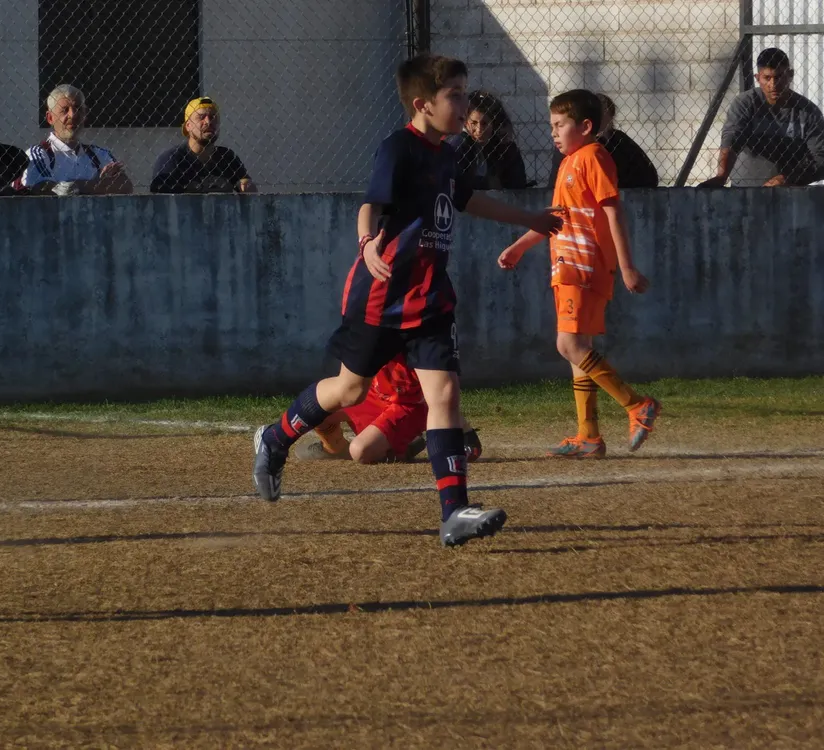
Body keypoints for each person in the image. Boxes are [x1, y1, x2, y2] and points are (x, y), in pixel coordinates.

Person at [251, 54, 562, 547]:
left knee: (445, 395)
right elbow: (370, 204)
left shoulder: (448, 155)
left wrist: (529, 220)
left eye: (465, 92)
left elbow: (468, 200)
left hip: (431, 298)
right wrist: (366, 243)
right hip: (383, 296)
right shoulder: (398, 148)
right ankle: (275, 438)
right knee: (349, 391)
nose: (465, 104)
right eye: (455, 95)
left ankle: (454, 512)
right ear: (422, 104)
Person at [498, 89, 661, 459]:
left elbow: (613, 212)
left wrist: (626, 266)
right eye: (551, 125)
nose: (553, 132)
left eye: (560, 125)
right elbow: (556, 219)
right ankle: (588, 436)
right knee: (577, 349)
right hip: (567, 267)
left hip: (582, 267)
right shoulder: (568, 163)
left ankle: (637, 404)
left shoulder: (593, 156)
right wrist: (520, 246)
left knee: (568, 345)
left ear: (586, 127)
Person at [295, 354, 482, 464]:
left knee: (360, 451)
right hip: (375, 391)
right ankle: (337, 450)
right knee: (316, 407)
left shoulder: (415, 326)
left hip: (406, 403)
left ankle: (402, 445)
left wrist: (465, 432)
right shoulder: (370, 318)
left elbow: (441, 385)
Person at [701, 48, 824, 187]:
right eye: (767, 78)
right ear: (757, 78)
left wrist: (788, 179)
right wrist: (721, 176)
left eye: (779, 77)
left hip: (790, 192)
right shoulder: (745, 103)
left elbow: (820, 157)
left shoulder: (808, 112)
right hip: (745, 191)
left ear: (790, 75)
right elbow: (732, 138)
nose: (773, 85)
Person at [16, 85, 133, 195]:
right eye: (64, 110)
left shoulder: (99, 154)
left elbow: (126, 186)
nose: (73, 115)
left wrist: (75, 187)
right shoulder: (39, 153)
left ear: (85, 115)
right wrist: (100, 184)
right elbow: (43, 189)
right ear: (50, 118)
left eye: (78, 108)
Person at [548, 94, 658, 189]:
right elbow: (555, 183)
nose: (599, 117)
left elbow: (649, 175)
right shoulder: (570, 144)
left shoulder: (619, 139)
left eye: (604, 111)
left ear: (611, 116)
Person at [150, 96, 255, 194]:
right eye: (201, 117)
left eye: (213, 117)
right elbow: (159, 195)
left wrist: (245, 184)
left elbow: (246, 183)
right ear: (188, 126)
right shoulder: (172, 159)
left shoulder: (227, 156)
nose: (208, 122)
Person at [446, 90, 530, 190]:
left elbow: (517, 182)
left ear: (494, 123)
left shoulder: (502, 147)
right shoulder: (462, 143)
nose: (479, 130)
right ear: (466, 122)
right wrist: (488, 183)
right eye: (474, 123)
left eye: (484, 123)